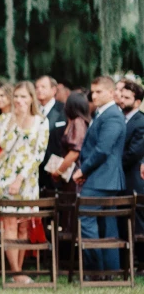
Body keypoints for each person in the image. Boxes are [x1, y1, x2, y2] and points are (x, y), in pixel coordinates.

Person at [0, 82, 49, 283]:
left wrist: (21, 178)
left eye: (24, 97)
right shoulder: (6, 118)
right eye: (16, 96)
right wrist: (16, 120)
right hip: (6, 176)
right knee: (8, 223)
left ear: (31, 99)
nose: (19, 100)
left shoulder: (41, 122)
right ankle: (16, 273)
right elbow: (4, 145)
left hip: (27, 178)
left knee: (24, 225)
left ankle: (19, 269)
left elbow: (38, 155)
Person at [73, 77, 127, 273]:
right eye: (92, 92)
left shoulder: (112, 115)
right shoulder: (102, 113)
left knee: (86, 218)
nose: (93, 96)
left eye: (99, 92)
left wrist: (83, 169)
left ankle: (94, 269)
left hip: (103, 178)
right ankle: (109, 270)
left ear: (111, 93)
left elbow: (103, 149)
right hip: (104, 178)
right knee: (106, 223)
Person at [116, 79, 144, 238]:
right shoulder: (119, 118)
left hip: (133, 180)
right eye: (122, 96)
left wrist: (113, 164)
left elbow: (134, 153)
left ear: (137, 102)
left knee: (137, 225)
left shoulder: (141, 122)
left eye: (127, 98)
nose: (122, 100)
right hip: (120, 180)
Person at [36, 75, 66, 193]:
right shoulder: (33, 111)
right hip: (36, 169)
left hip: (56, 169)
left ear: (54, 90)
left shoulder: (63, 110)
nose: (39, 90)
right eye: (37, 87)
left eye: (43, 87)